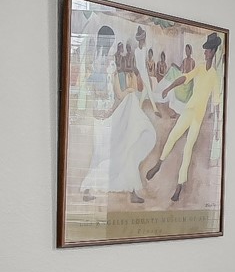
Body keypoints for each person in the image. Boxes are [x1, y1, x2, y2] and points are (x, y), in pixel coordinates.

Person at [78, 35, 158, 204]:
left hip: (107, 116)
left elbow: (117, 96)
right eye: (109, 44)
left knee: (122, 150)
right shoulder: (96, 67)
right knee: (105, 154)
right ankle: (88, 186)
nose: (111, 51)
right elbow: (97, 92)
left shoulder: (109, 69)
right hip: (101, 119)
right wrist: (128, 91)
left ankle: (132, 189)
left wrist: (118, 102)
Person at [145, 32, 223, 204]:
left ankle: (179, 185)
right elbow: (185, 78)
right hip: (189, 111)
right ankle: (159, 164)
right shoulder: (201, 67)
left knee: (188, 149)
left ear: (213, 51)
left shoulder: (214, 77)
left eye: (207, 51)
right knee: (172, 136)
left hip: (197, 117)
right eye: (204, 50)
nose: (205, 53)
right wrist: (169, 87)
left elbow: (217, 103)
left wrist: (218, 128)